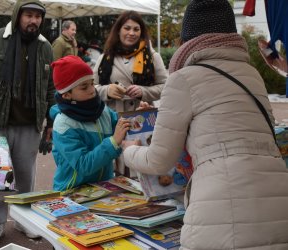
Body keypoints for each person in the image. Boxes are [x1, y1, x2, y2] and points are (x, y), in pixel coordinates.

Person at [122, 0, 288, 249]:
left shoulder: (183, 78)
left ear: (187, 38)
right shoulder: (250, 74)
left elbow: (159, 160)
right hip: (278, 204)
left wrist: (129, 149)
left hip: (222, 209)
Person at [0, 0, 55, 247]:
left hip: (30, 124)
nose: (33, 21)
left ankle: (25, 220)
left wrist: (51, 123)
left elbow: (50, 88)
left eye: (38, 16)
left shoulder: (45, 47)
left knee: (25, 176)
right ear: (17, 15)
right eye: (29, 15)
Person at [49, 55, 131, 191]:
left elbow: (124, 130)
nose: (92, 90)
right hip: (72, 191)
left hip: (102, 189)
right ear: (66, 95)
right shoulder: (63, 124)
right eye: (84, 87)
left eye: (92, 83)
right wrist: (113, 142)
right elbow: (83, 165)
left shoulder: (103, 110)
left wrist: (140, 116)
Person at [93, 11, 166, 113]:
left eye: (136, 29)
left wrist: (144, 91)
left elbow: (166, 87)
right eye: (127, 28)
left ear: (141, 32)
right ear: (118, 31)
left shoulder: (153, 57)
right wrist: (107, 91)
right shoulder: (105, 58)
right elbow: (91, 87)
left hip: (142, 117)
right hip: (113, 117)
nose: (131, 33)